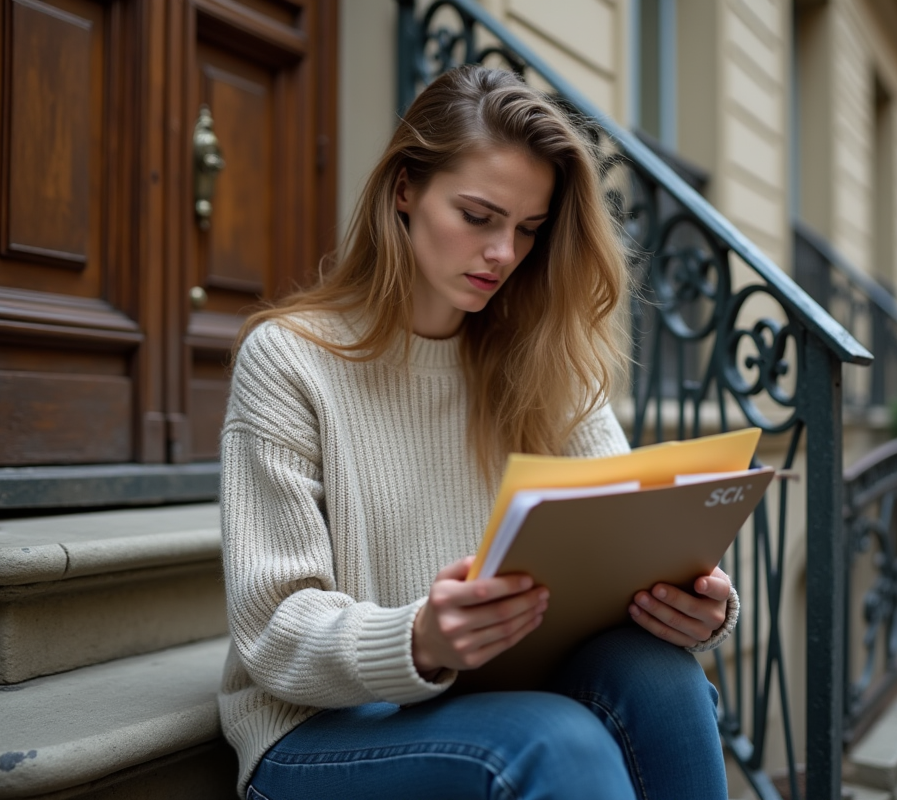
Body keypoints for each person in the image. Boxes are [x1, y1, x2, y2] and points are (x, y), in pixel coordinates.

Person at [219, 65, 739, 800]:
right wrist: (419, 637)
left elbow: (625, 529)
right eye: (478, 216)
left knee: (659, 675)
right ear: (405, 190)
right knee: (560, 746)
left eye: (529, 229)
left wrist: (696, 602)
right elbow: (273, 625)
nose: (505, 253)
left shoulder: (543, 357)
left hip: (498, 691)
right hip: (323, 729)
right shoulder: (292, 359)